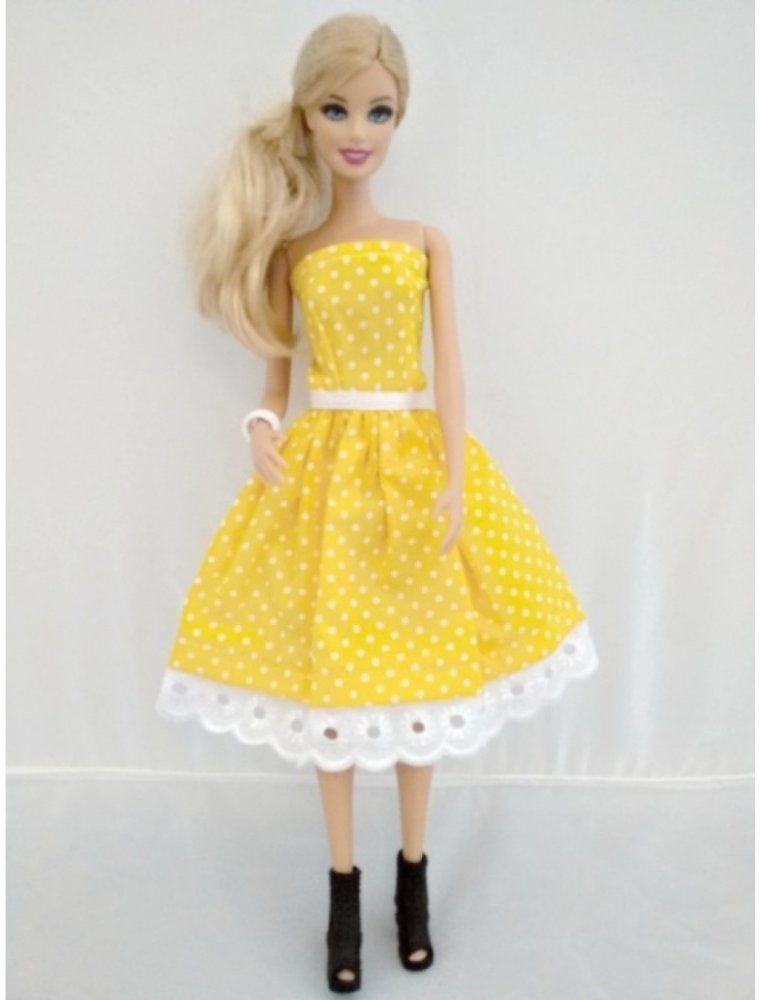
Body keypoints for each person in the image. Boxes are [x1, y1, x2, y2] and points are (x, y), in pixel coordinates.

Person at [155, 12, 600, 993]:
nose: (357, 130)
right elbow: (276, 383)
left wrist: (455, 479)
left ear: (401, 119)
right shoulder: (295, 253)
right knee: (336, 690)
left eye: (379, 111)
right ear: (306, 118)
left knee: (420, 681)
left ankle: (413, 878)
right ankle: (342, 894)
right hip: (325, 482)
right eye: (337, 109)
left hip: (411, 475)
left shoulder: (425, 243)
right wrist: (259, 428)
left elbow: (451, 373)